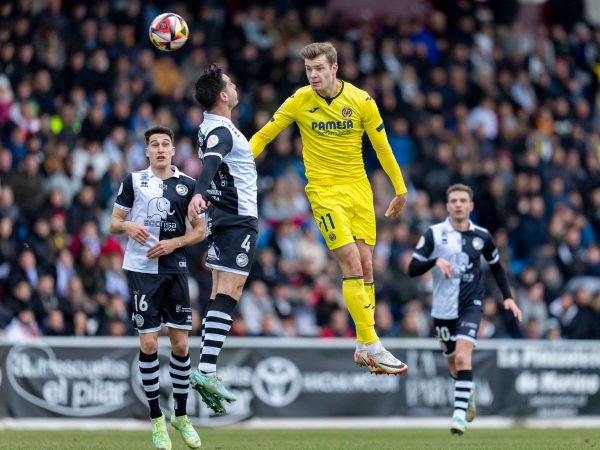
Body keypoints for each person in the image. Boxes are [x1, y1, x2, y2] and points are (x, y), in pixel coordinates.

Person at [249, 42, 409, 375]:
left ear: (334, 69)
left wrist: (400, 189)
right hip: (324, 193)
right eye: (309, 70)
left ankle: (364, 347)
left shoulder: (362, 101)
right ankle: (373, 343)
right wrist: (236, 162)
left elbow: (382, 148)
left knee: (366, 266)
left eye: (319, 68)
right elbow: (264, 135)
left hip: (359, 192)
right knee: (350, 261)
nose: (313, 75)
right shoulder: (299, 100)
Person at [109, 126, 204, 450]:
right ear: (147, 151)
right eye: (154, 145)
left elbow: (201, 230)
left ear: (174, 150)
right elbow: (112, 222)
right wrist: (127, 224)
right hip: (141, 269)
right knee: (149, 344)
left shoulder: (189, 185)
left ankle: (181, 414)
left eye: (165, 144)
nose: (161, 149)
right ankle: (156, 419)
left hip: (174, 268)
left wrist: (175, 242)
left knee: (180, 344)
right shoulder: (134, 181)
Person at [408, 184, 522, 435]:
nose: (458, 204)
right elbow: (412, 268)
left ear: (470, 206)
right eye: (453, 200)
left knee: (462, 358)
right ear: (447, 206)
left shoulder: (482, 236)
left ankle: (458, 417)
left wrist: (508, 297)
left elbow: (496, 267)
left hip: (470, 305)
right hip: (441, 309)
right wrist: (434, 260)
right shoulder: (434, 234)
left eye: (462, 200)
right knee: (454, 365)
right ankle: (468, 394)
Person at [187, 64, 258, 414]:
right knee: (230, 292)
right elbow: (211, 164)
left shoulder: (208, 127)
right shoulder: (221, 131)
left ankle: (205, 369)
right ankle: (207, 370)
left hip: (223, 218)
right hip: (237, 221)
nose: (234, 86)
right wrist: (199, 194)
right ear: (223, 95)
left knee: (218, 295)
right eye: (230, 83)